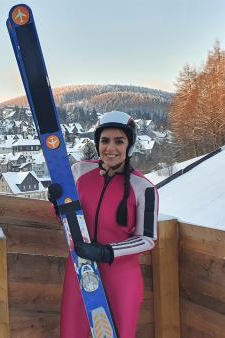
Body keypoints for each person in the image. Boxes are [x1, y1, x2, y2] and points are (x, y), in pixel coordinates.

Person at [48, 111, 158, 338]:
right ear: (97, 143)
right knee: (72, 332)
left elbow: (147, 239)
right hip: (81, 271)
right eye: (104, 140)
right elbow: (67, 218)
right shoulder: (79, 172)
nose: (111, 148)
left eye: (119, 141)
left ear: (129, 145)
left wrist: (107, 252)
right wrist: (57, 203)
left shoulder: (143, 188)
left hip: (120, 276)